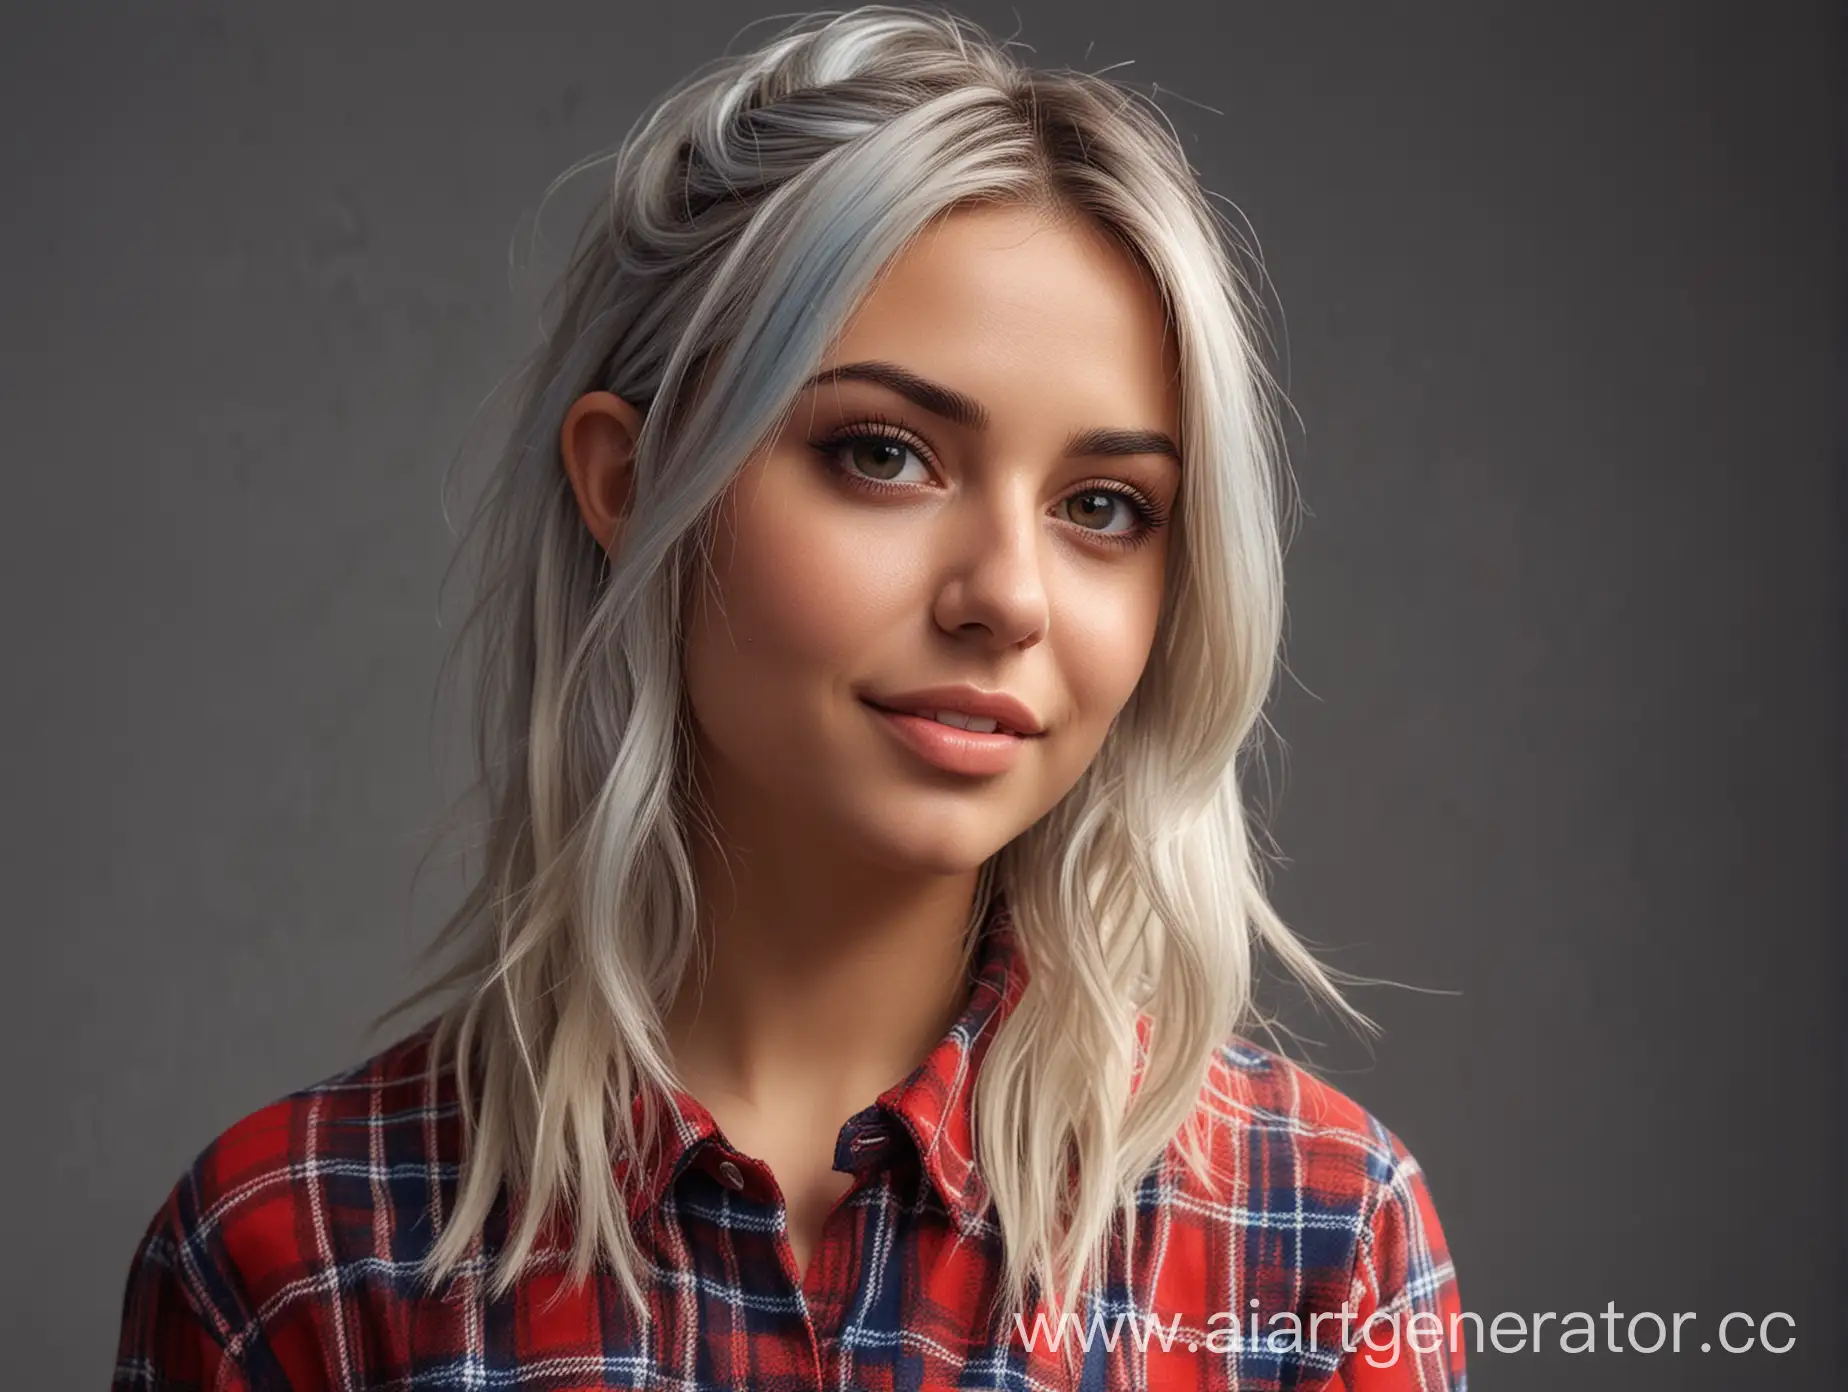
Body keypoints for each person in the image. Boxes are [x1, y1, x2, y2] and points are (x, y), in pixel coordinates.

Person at [111, 8, 1464, 1389]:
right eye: (884, 454)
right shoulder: (293, 1265)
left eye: (1104, 506)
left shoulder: (1315, 1242)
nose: (1009, 595)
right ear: (629, 486)